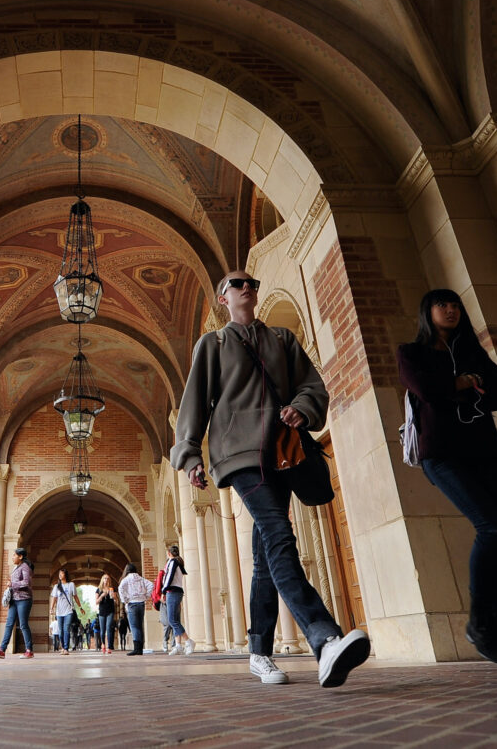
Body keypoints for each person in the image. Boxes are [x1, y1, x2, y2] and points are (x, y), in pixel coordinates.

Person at [171, 270, 371, 687]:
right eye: (238, 284)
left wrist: (302, 408)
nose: (249, 288)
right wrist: (190, 457)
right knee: (280, 535)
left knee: (265, 555)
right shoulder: (213, 343)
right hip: (239, 456)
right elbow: (193, 405)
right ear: (223, 299)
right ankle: (324, 637)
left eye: (253, 284)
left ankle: (259, 651)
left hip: (282, 454)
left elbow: (312, 386)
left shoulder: (282, 339)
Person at [397, 289, 497, 671]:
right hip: (442, 456)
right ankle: (481, 625)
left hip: (485, 453)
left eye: (455, 305)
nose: (451, 310)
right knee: (489, 528)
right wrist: (466, 383)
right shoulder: (412, 353)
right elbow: (427, 390)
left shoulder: (473, 351)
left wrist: (464, 379)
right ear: (427, 311)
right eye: (442, 304)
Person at [0, 548, 35, 659]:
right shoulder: (17, 567)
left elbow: (26, 583)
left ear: (20, 557)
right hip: (14, 600)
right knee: (9, 624)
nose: (12, 557)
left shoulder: (25, 567)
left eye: (14, 555)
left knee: (23, 625)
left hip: (24, 600)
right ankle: (2, 650)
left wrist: (12, 584)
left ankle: (29, 651)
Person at [160, 545, 195, 655]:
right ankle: (178, 645)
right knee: (175, 619)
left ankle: (189, 641)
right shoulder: (177, 562)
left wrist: (163, 591)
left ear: (169, 553)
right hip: (176, 592)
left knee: (172, 620)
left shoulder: (173, 562)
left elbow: (169, 577)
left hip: (173, 592)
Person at [117, 562, 155, 655]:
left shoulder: (126, 579)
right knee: (139, 625)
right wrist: (146, 595)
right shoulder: (140, 578)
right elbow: (151, 584)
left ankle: (137, 649)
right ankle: (140, 648)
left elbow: (120, 588)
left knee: (134, 626)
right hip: (141, 604)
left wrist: (124, 599)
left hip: (132, 604)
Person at [50, 569, 81, 656]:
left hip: (69, 611)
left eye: (62, 573)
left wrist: (80, 607)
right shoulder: (56, 586)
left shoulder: (71, 585)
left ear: (65, 575)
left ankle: (66, 648)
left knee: (66, 629)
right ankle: (63, 647)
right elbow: (54, 598)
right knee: (60, 632)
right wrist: (51, 608)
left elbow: (75, 597)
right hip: (59, 611)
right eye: (59, 573)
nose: (60, 575)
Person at [96, 574, 118, 654]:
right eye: (105, 578)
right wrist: (102, 596)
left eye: (108, 579)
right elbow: (96, 602)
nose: (106, 580)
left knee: (109, 628)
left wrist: (114, 596)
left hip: (110, 610)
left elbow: (116, 601)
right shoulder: (98, 589)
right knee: (102, 630)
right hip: (102, 611)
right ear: (102, 580)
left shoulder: (112, 589)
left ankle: (109, 646)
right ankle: (103, 644)